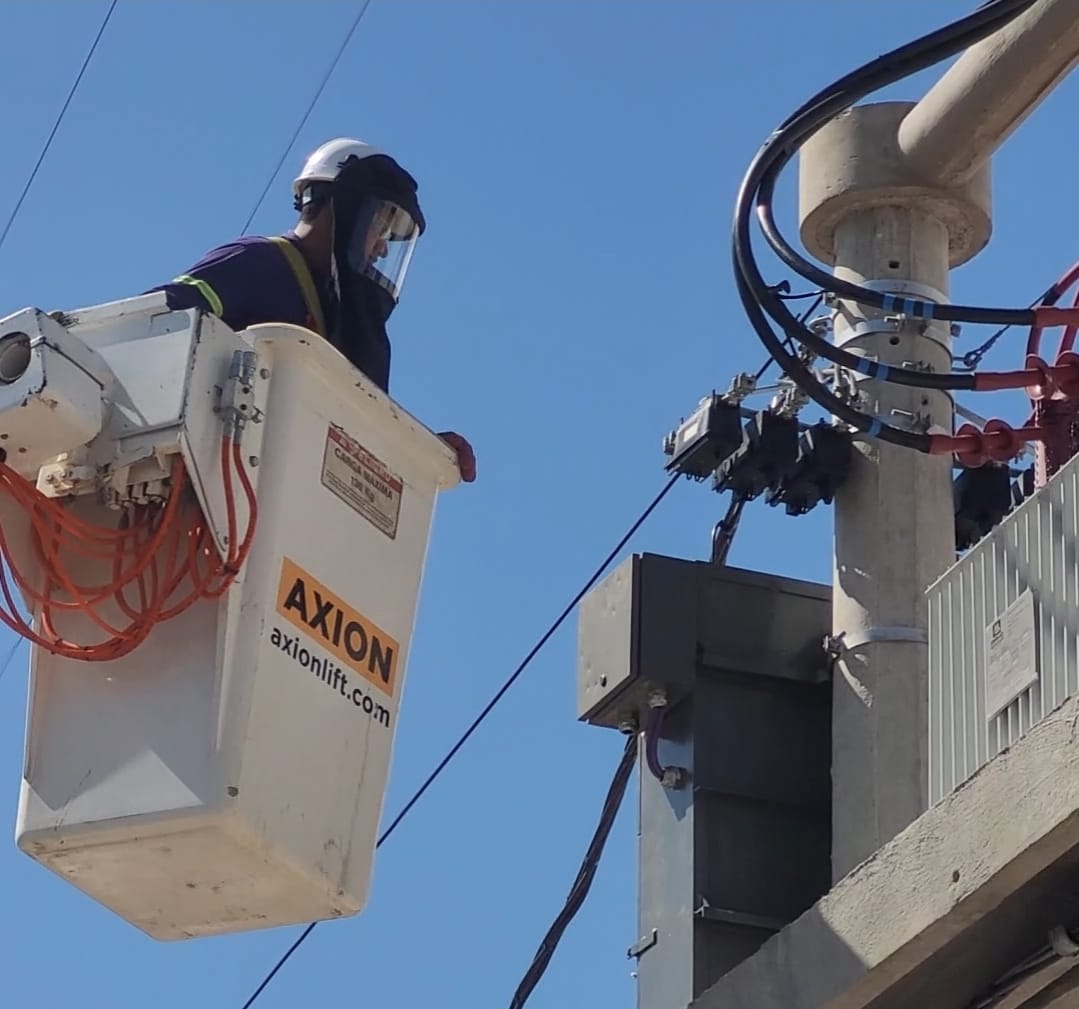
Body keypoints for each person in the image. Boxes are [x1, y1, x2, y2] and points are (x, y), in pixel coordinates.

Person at [151, 137, 476, 482]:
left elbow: (353, 440)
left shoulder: (341, 325)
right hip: (205, 485)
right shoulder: (258, 264)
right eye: (379, 227)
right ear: (345, 207)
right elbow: (153, 325)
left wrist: (422, 456)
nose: (382, 249)